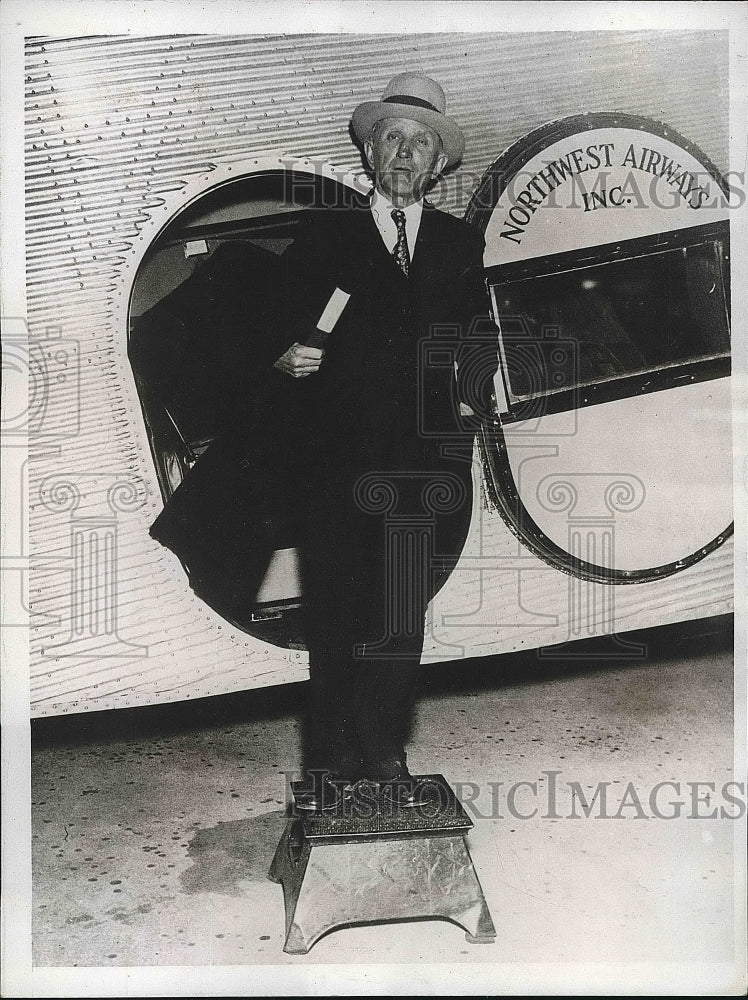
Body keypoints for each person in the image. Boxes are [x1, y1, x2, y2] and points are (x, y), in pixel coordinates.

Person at [266, 71, 491, 810]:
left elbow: (479, 337)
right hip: (333, 466)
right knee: (334, 617)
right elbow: (269, 326)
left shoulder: (459, 244)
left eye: (419, 142)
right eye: (390, 137)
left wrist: (470, 390)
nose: (403, 152)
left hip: (420, 468)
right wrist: (281, 355)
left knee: (400, 618)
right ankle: (327, 766)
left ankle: (386, 754)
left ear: (439, 164)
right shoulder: (324, 233)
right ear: (369, 152)